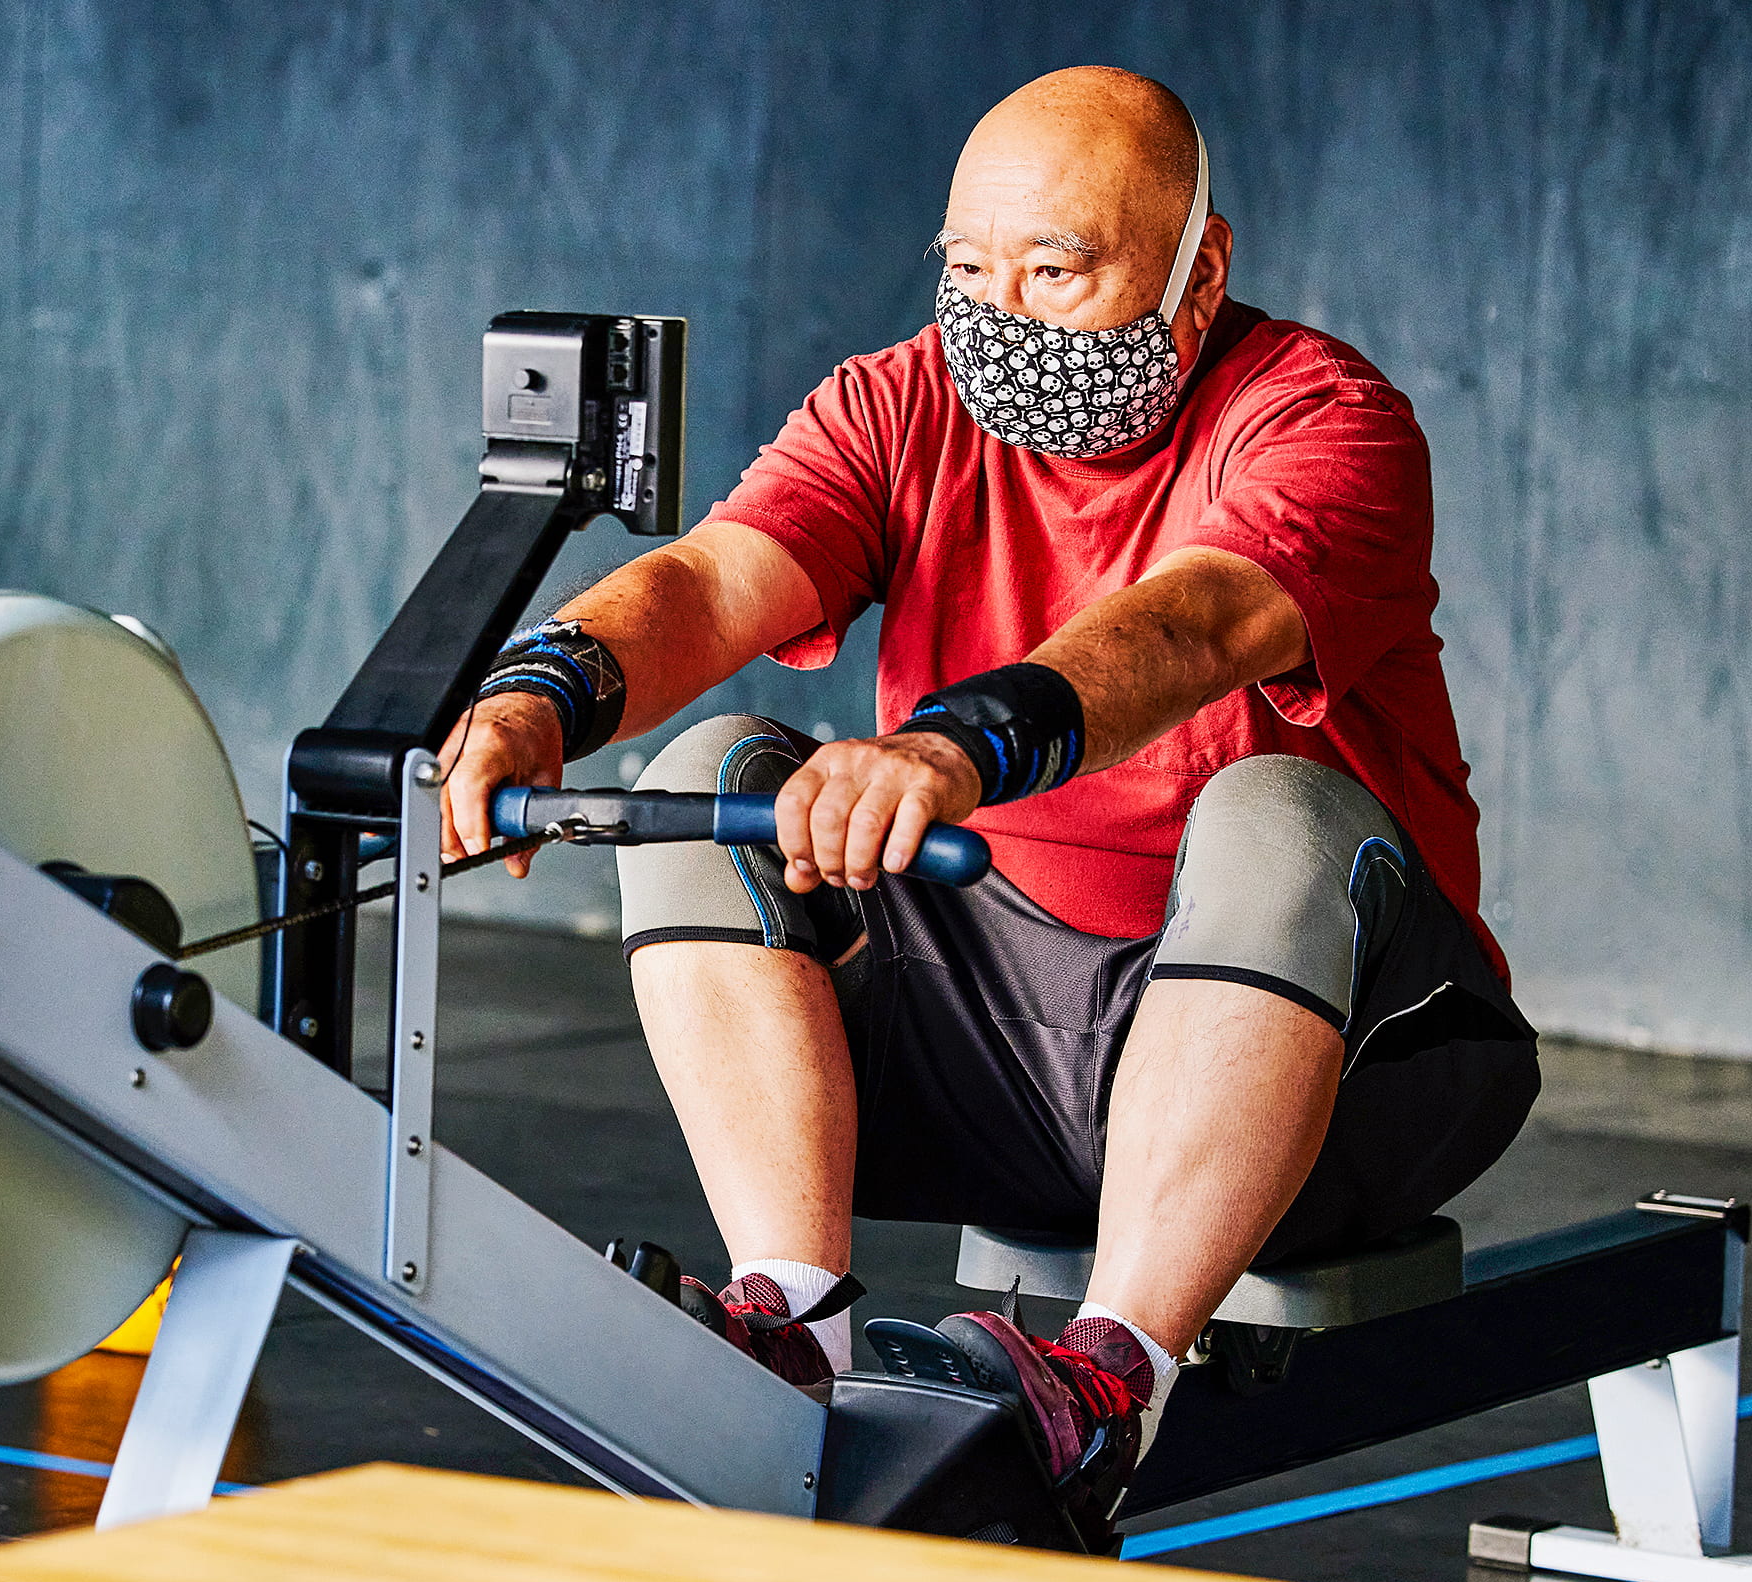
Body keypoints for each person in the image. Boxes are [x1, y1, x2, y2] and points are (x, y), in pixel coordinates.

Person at [438, 65, 1537, 1501]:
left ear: (1199, 272)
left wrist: (956, 744)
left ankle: (1111, 1383)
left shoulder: (1323, 420)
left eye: (1056, 272)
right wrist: (542, 692)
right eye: (967, 269)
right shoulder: (902, 404)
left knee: (1277, 805)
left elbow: (1198, 623)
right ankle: (792, 1324)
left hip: (1347, 1077)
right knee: (711, 775)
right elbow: (715, 581)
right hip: (1002, 1053)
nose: (999, 319)